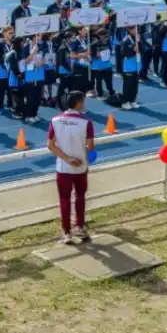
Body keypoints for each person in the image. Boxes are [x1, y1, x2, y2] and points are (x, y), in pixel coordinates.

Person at [47, 91, 96, 245]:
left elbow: (50, 145)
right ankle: (80, 227)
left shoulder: (55, 120)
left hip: (63, 167)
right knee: (80, 197)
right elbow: (90, 146)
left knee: (64, 199)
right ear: (79, 103)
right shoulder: (86, 122)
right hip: (80, 166)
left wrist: (67, 159)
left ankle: (66, 232)